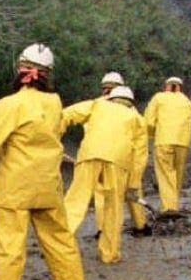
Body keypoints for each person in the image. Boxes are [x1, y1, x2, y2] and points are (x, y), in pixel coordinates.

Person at [0, 43, 90, 280]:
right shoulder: (55, 104)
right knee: (61, 242)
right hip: (48, 187)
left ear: (21, 70)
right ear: (46, 74)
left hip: (13, 189)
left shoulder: (9, 105)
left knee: (9, 248)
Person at [62, 86, 148, 264]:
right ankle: (109, 254)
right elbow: (139, 157)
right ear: (130, 103)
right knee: (114, 207)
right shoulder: (137, 119)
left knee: (76, 200)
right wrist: (133, 184)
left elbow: (66, 114)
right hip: (118, 161)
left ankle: (58, 245)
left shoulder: (97, 105)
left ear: (111, 98)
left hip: (89, 155)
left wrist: (54, 135)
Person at [143, 76, 191, 217]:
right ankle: (175, 203)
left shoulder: (159, 98)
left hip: (164, 140)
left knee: (166, 173)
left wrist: (153, 134)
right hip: (182, 142)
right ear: (180, 87)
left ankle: (168, 206)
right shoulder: (187, 101)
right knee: (177, 173)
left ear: (166, 86)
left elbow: (149, 122)